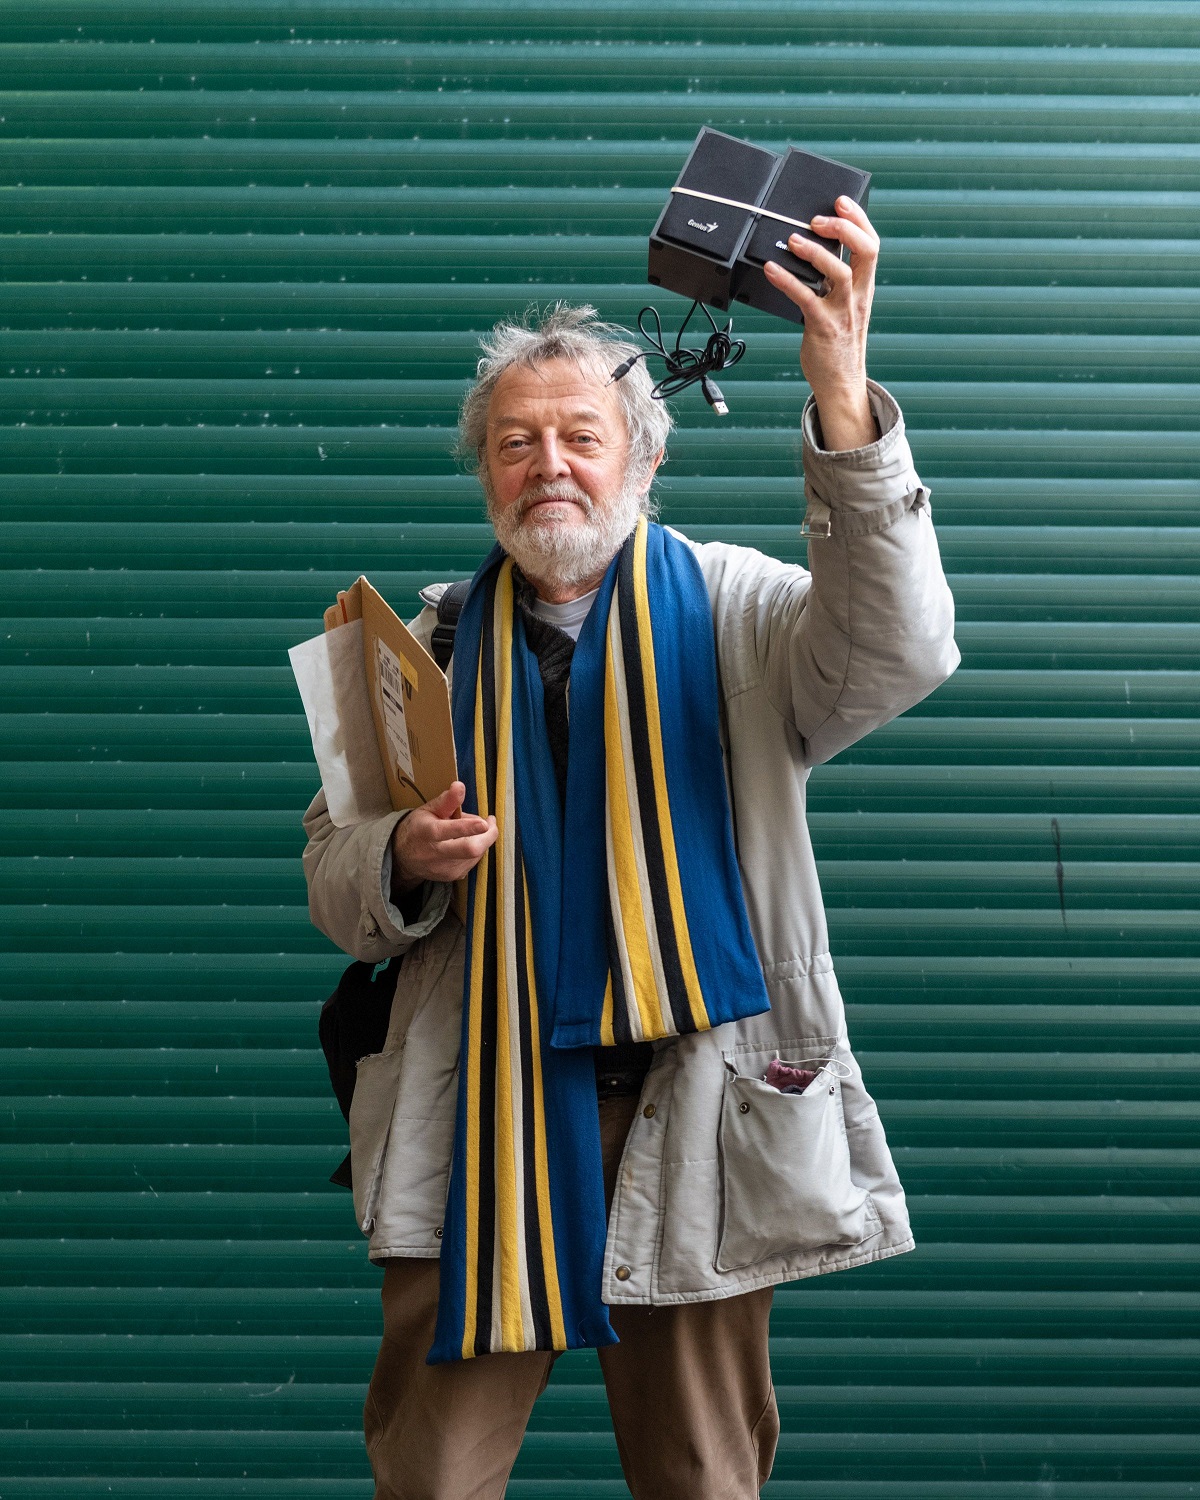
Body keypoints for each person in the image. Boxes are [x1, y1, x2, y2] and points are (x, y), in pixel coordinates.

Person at [302, 197, 959, 1500]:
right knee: (431, 1478)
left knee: (703, 1475)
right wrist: (400, 858)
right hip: (478, 1107)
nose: (548, 464)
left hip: (697, 1104)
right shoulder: (410, 647)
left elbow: (902, 649)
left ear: (644, 461)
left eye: (581, 437)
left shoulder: (746, 612)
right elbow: (331, 874)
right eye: (515, 442)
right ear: (483, 471)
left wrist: (842, 396)